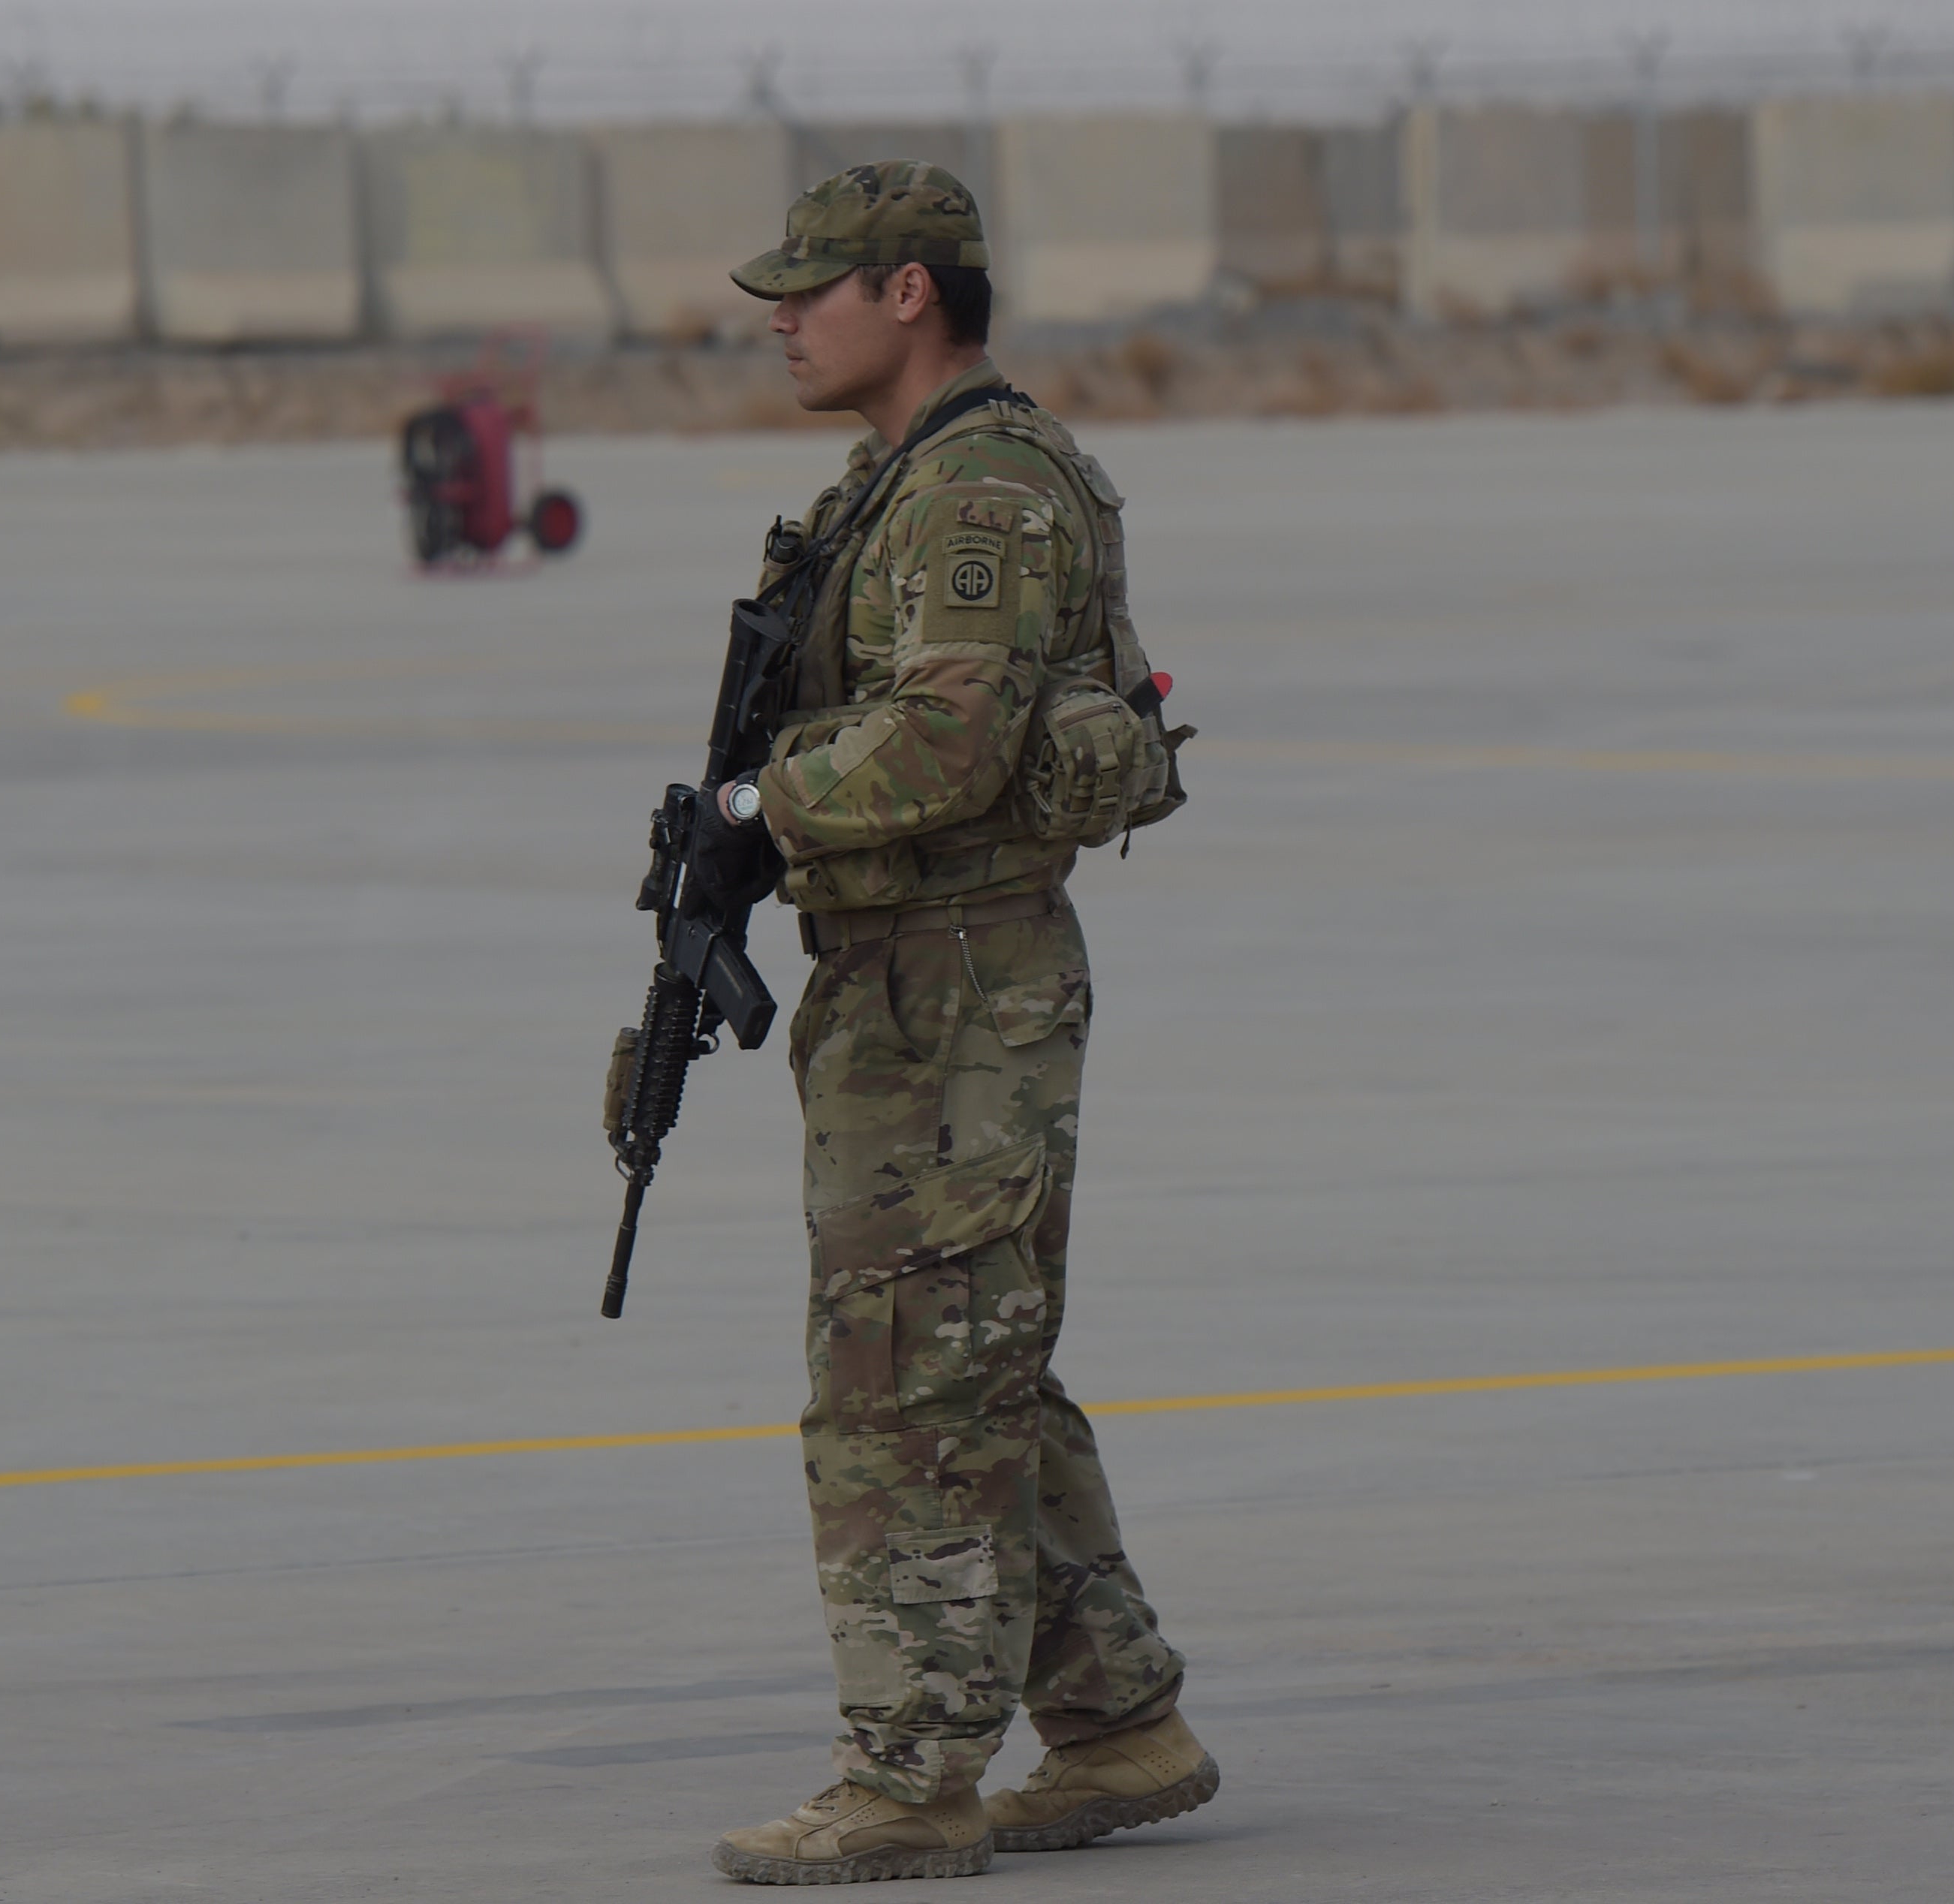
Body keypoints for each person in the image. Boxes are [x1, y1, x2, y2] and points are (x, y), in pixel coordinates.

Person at [696, 161, 1214, 1886]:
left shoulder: (977, 491)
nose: (785, 316)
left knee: (901, 1385)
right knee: (974, 1359)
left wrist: (757, 803)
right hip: (917, 974)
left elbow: (947, 743)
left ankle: (908, 1769)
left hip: (956, 980)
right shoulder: (901, 481)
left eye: (814, 287)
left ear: (908, 293)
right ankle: (1114, 1716)